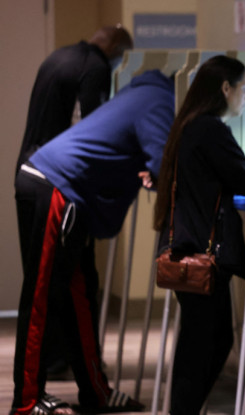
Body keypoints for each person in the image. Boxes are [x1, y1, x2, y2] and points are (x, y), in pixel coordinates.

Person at [12, 68, 174, 415]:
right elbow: (163, 163)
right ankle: (26, 402)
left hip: (61, 187)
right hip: (55, 186)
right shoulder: (161, 100)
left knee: (80, 297)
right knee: (41, 297)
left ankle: (96, 393)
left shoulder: (140, 92)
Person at [153, 55, 245, 415]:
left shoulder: (189, 125)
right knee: (208, 343)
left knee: (201, 342)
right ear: (225, 88)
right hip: (203, 251)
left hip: (186, 247)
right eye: (244, 88)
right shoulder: (209, 129)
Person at [16, 25, 133, 172]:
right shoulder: (96, 67)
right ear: (115, 48)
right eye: (122, 56)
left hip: (28, 165)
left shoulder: (58, 56)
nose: (120, 62)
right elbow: (92, 127)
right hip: (54, 171)